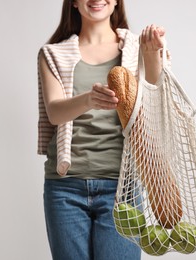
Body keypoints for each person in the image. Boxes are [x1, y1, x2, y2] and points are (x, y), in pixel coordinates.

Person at [37, 0, 166, 259]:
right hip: (65, 188)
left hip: (122, 188)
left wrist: (152, 55)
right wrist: (88, 100)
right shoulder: (52, 54)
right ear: (73, 2)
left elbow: (155, 97)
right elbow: (54, 112)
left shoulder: (135, 49)